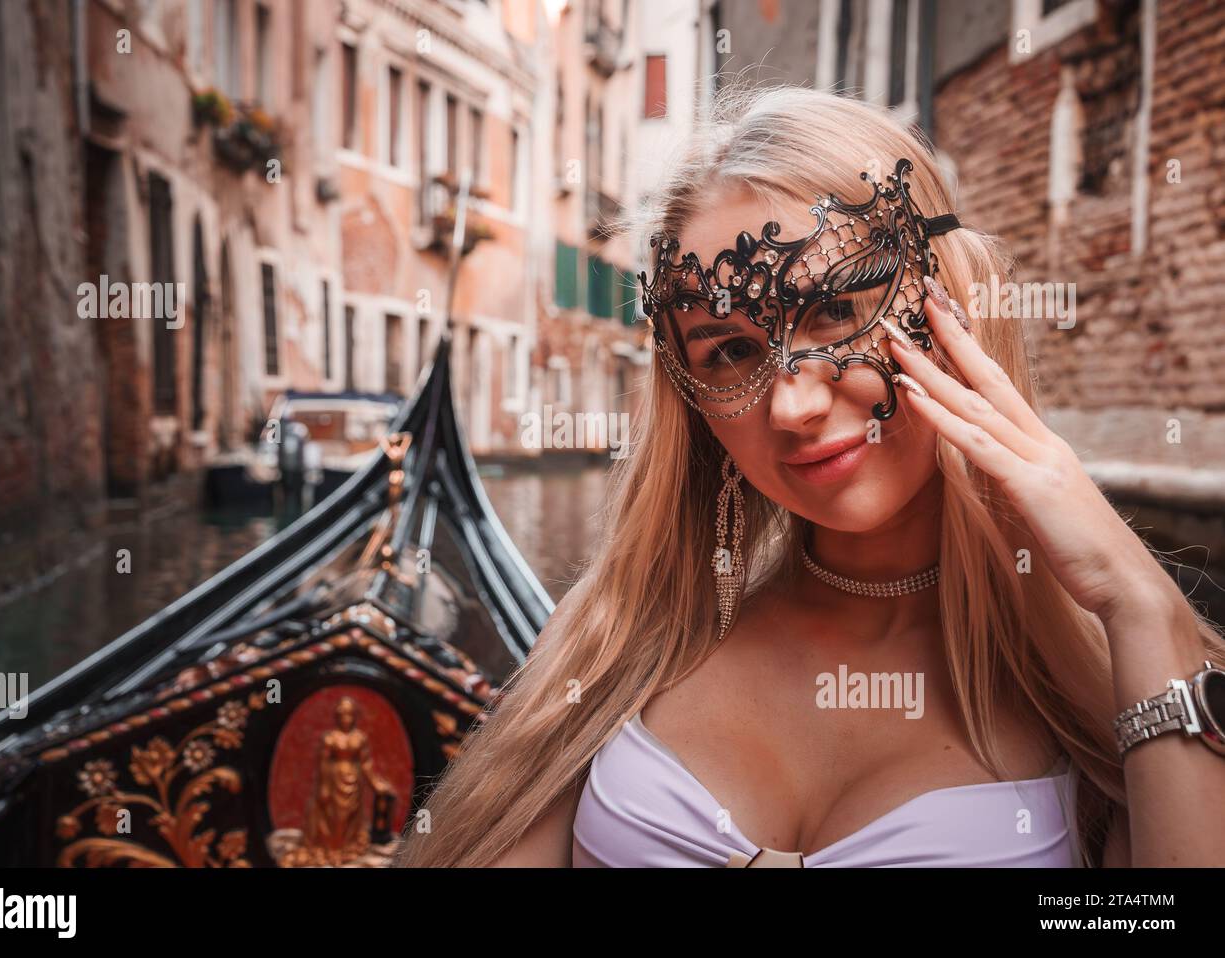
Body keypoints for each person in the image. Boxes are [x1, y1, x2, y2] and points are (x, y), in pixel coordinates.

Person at [394, 83, 1225, 868]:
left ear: (953, 303)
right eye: (731, 351)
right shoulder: (619, 641)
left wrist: (1141, 604)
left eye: (835, 307)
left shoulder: (1118, 704)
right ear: (693, 401)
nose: (791, 406)